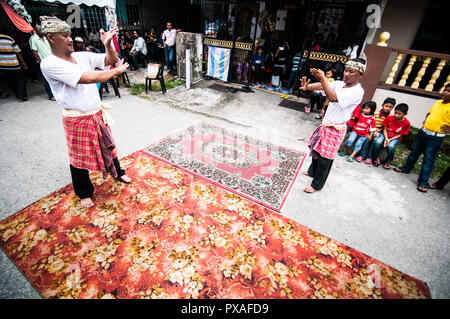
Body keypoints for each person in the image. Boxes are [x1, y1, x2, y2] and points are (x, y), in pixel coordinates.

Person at [39, 16, 131, 208]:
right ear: (50, 38)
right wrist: (116, 72)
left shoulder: (82, 56)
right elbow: (88, 77)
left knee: (109, 145)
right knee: (78, 158)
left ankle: (118, 172)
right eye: (64, 36)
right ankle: (83, 192)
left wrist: (108, 45)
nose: (70, 39)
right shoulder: (49, 64)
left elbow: (110, 60)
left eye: (70, 35)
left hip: (96, 113)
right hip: (76, 118)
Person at [300, 57, 366, 193]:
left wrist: (323, 78)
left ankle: (317, 185)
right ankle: (312, 171)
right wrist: (307, 87)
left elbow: (333, 98)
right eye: (346, 70)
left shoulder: (357, 91)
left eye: (351, 72)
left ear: (360, 74)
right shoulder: (340, 84)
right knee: (316, 151)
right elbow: (322, 86)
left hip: (336, 128)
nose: (347, 74)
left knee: (325, 159)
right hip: (326, 125)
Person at [394, 84, 450, 192]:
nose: (445, 92)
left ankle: (423, 182)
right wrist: (426, 120)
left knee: (428, 159)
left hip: (435, 137)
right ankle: (406, 168)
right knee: (414, 152)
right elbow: (429, 113)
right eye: (444, 90)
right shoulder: (438, 102)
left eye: (448, 91)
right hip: (423, 132)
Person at [371, 103, 410, 170]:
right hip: (385, 134)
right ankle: (376, 158)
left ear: (405, 114)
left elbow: (400, 134)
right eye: (395, 113)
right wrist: (386, 138)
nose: (396, 115)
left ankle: (388, 162)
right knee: (377, 142)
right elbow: (385, 129)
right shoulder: (389, 118)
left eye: (399, 114)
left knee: (391, 146)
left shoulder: (406, 123)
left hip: (395, 137)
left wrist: (390, 140)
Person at [359, 97, 395, 164]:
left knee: (375, 140)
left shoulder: (390, 116)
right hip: (371, 129)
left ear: (393, 108)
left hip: (381, 132)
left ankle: (370, 157)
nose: (388, 108)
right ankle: (362, 155)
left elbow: (385, 127)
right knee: (368, 138)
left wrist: (377, 131)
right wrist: (372, 131)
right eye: (386, 106)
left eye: (390, 107)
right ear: (382, 105)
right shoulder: (375, 113)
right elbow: (371, 122)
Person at [0, 29, 29, 101]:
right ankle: (22, 95)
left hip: (3, 66)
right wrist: (23, 62)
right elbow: (18, 51)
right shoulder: (9, 39)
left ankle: (17, 94)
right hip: (14, 64)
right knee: (21, 78)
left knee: (10, 81)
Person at [29, 23, 55, 101]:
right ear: (35, 29)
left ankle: (58, 93)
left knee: (55, 77)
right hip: (44, 62)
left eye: (41, 28)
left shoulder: (47, 37)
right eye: (38, 28)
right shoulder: (33, 39)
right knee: (47, 79)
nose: (40, 29)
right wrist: (40, 62)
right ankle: (51, 95)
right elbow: (34, 51)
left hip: (52, 59)